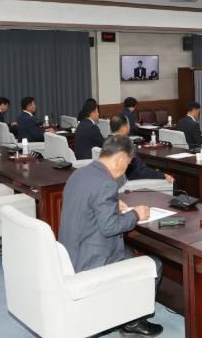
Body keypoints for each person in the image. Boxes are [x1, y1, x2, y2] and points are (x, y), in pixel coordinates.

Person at [58, 136, 163, 337]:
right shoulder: (106, 183)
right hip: (91, 261)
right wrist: (136, 214)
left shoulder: (79, 173)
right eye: (128, 164)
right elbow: (109, 227)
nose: (125, 170)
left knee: (129, 252)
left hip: (70, 253)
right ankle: (132, 323)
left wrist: (112, 205)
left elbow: (86, 206)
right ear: (120, 158)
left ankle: (123, 309)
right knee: (154, 264)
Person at [110, 115, 174, 183]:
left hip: (116, 182)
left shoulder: (107, 143)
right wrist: (163, 176)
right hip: (135, 183)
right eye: (128, 124)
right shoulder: (125, 146)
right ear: (124, 127)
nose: (129, 126)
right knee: (171, 180)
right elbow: (141, 171)